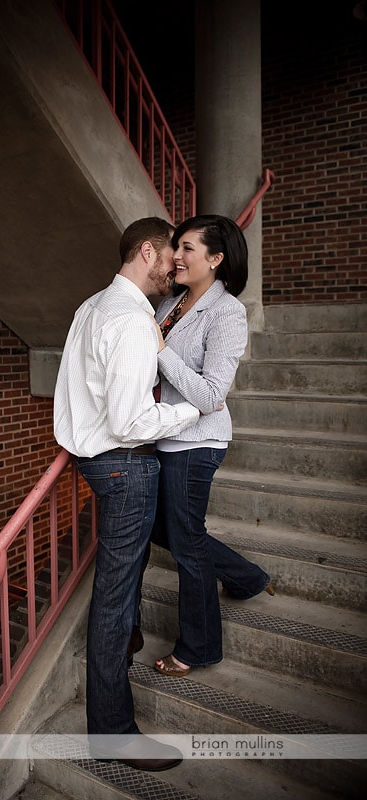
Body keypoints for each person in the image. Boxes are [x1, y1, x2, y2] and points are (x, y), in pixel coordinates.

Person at [53, 216, 202, 771]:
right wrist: (194, 410)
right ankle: (113, 731)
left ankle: (129, 641)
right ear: (147, 251)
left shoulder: (91, 307)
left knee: (126, 585)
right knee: (113, 601)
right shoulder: (132, 323)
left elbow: (75, 398)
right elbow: (130, 417)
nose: (176, 269)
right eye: (170, 257)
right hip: (125, 467)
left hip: (98, 463)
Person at [150, 214, 274, 678]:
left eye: (186, 248)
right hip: (165, 437)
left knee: (185, 543)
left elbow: (210, 396)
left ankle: (198, 646)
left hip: (197, 442)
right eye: (174, 247)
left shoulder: (227, 313)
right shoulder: (171, 303)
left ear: (216, 259)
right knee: (168, 531)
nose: (175, 256)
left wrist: (158, 349)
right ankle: (246, 577)